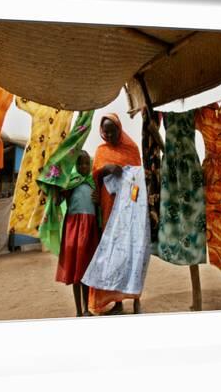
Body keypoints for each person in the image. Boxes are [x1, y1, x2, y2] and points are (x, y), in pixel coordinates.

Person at [89, 113, 142, 315]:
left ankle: (136, 300)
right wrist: (105, 170)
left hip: (128, 212)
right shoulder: (101, 151)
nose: (109, 135)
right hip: (108, 210)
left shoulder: (132, 149)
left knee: (131, 257)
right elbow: (94, 178)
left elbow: (139, 181)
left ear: (120, 129)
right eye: (106, 131)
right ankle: (118, 303)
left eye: (113, 131)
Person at [54, 150, 99, 317]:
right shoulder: (70, 183)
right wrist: (56, 186)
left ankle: (87, 309)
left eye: (86, 163)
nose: (83, 166)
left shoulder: (93, 183)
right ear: (75, 165)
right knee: (76, 271)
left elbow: (99, 204)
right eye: (80, 163)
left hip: (90, 229)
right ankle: (79, 311)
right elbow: (58, 201)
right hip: (74, 228)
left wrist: (98, 200)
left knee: (86, 270)